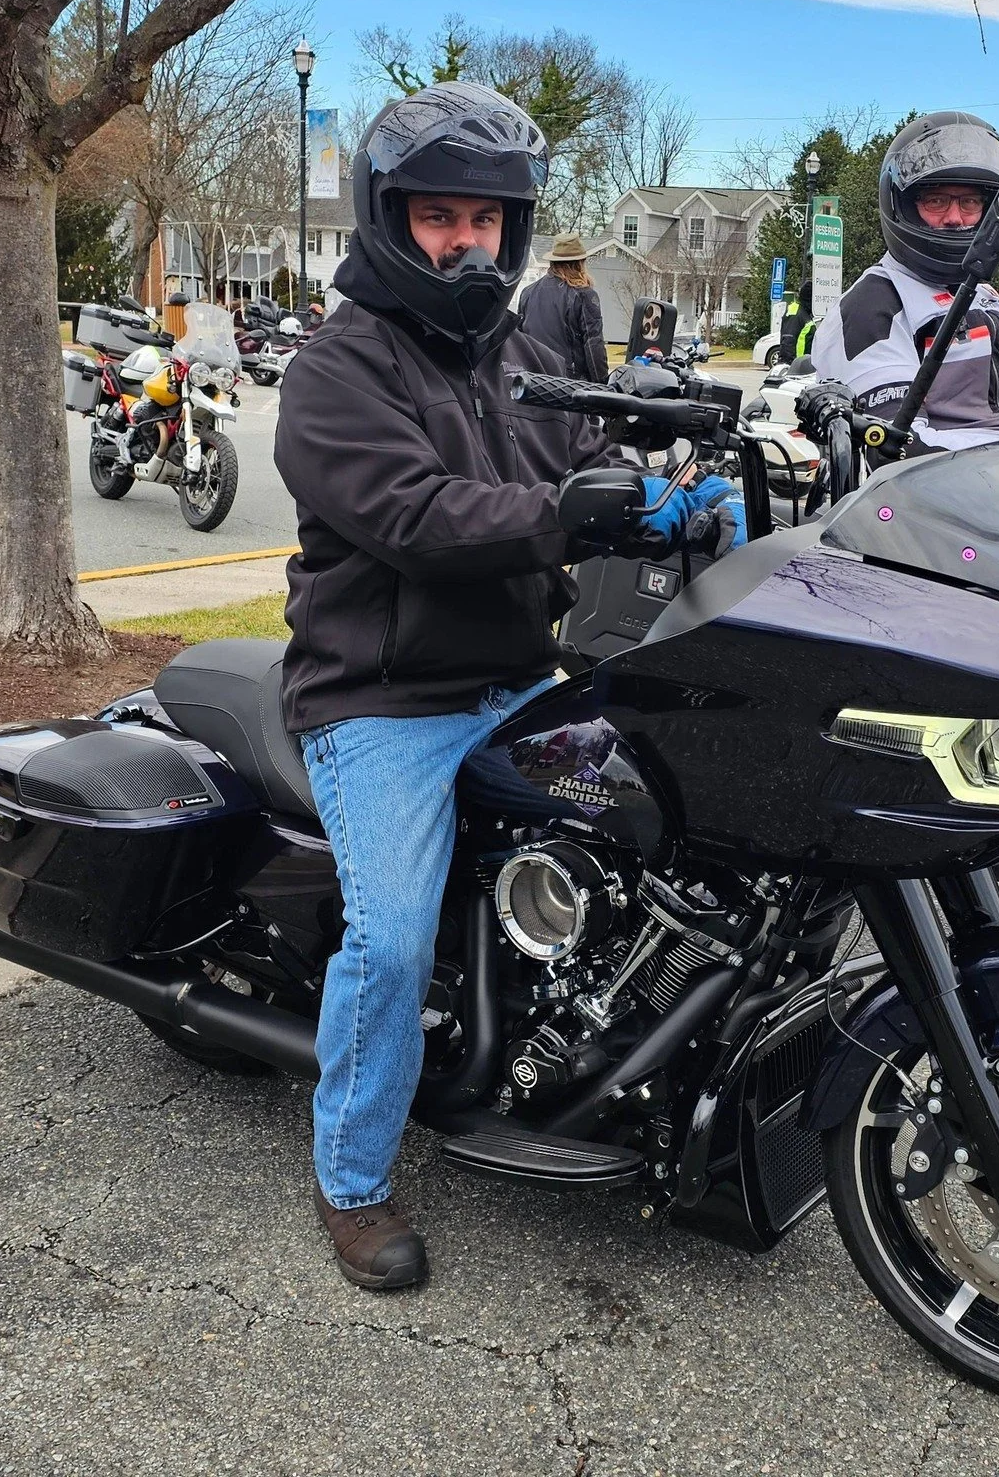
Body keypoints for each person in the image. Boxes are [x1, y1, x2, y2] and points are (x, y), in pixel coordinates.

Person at [273, 82, 735, 1293]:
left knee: (678, 822)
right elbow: (418, 517)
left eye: (485, 220)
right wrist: (576, 511)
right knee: (390, 940)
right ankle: (352, 1179)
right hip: (380, 700)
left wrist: (672, 492)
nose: (465, 241)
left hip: (518, 681)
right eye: (439, 217)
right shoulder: (335, 370)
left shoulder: (520, 357)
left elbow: (591, 454)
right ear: (388, 219)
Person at [810, 111, 999, 482]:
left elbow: (998, 421)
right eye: (936, 201)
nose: (955, 217)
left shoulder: (980, 296)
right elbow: (899, 452)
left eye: (969, 203)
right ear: (904, 205)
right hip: (929, 505)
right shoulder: (875, 307)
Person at [515, 232, 609, 382]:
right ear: (580, 262)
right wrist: (603, 386)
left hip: (533, 381)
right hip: (568, 384)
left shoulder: (528, 292)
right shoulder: (584, 295)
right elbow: (593, 345)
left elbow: (519, 340)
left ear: (553, 262)